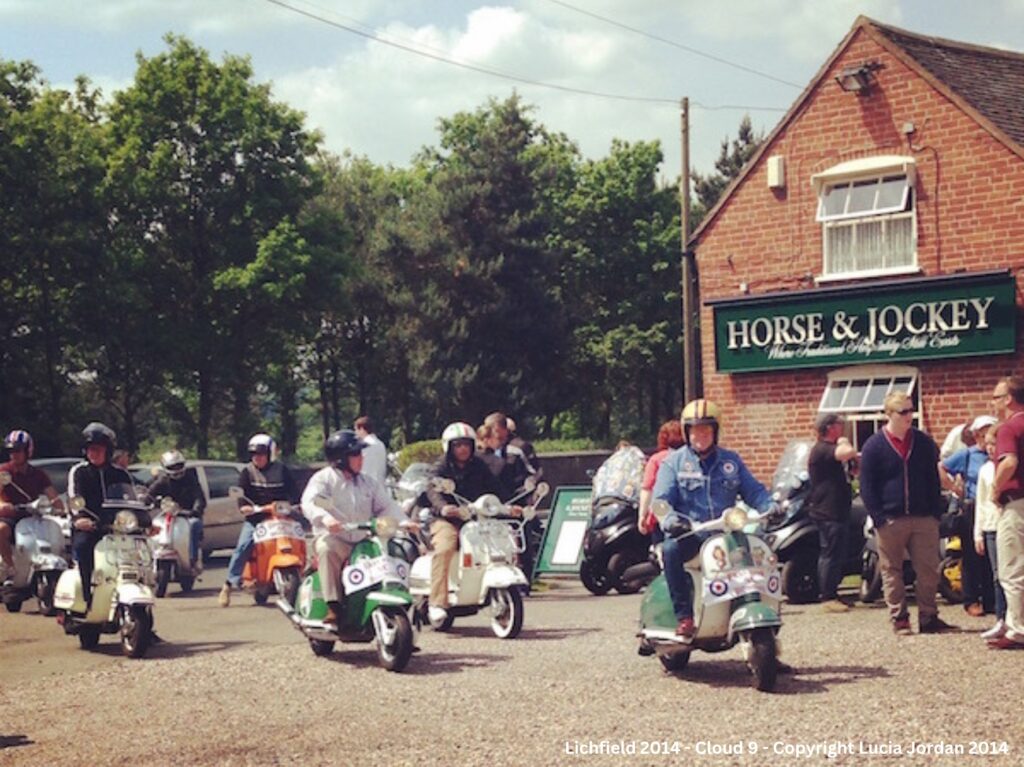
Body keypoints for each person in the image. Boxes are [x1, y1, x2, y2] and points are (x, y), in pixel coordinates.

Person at [652, 399, 775, 640]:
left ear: (715, 431)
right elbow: (660, 502)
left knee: (760, 555)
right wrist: (671, 521)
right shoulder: (673, 463)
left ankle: (766, 629)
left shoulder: (731, 462)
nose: (701, 434)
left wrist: (771, 506)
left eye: (706, 429)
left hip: (727, 534)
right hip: (691, 535)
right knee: (670, 550)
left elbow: (754, 491)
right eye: (695, 429)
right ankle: (684, 617)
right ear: (687, 432)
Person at [859, 392, 951, 635]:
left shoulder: (923, 442)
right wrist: (879, 517)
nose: (910, 416)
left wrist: (934, 512)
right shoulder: (873, 446)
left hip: (923, 517)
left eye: (911, 410)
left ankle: (929, 616)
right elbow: (867, 485)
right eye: (903, 412)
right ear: (889, 414)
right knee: (891, 570)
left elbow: (933, 478)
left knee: (929, 569)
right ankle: (899, 618)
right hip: (890, 518)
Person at [301, 430, 406, 626]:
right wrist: (325, 519)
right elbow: (310, 502)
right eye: (356, 454)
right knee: (326, 549)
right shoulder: (323, 479)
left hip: (363, 539)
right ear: (341, 459)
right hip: (336, 538)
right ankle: (333, 605)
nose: (361, 458)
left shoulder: (368, 482)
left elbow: (386, 505)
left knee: (393, 551)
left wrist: (405, 522)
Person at [423, 422, 505, 623]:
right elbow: (432, 490)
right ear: (449, 447)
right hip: (446, 519)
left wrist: (506, 505)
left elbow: (494, 488)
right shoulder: (441, 467)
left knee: (500, 540)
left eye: (466, 444)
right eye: (458, 445)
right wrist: (444, 507)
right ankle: (437, 602)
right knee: (445, 547)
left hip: (476, 517)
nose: (463, 449)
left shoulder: (479, 466)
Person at [219, 433, 298, 607]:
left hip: (280, 517)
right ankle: (229, 584)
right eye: (254, 455)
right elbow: (241, 493)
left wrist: (295, 504)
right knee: (243, 546)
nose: (258, 458)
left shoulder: (282, 470)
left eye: (261, 454)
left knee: (299, 539)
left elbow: (294, 491)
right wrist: (244, 507)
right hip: (257, 518)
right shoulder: (247, 471)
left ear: (270, 454)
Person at [67, 422, 134, 609]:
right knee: (82, 545)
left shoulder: (120, 474)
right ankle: (87, 595)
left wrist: (145, 520)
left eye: (98, 449)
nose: (93, 453)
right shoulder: (79, 472)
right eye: (90, 449)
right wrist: (80, 518)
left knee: (140, 551)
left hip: (117, 527)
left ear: (108, 450)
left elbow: (131, 499)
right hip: (90, 526)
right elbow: (75, 497)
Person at [939, 414, 997, 617]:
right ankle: (971, 599)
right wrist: (954, 488)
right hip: (972, 507)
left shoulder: (997, 455)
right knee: (972, 556)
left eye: (988, 434)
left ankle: (991, 600)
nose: (984, 439)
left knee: (992, 556)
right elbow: (942, 467)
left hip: (993, 507)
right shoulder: (967, 454)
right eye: (981, 434)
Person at [806, 413, 858, 612]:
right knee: (830, 553)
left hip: (839, 509)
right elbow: (846, 451)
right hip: (827, 511)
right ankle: (827, 596)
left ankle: (833, 593)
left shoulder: (830, 451)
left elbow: (852, 468)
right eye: (839, 425)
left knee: (837, 552)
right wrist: (845, 442)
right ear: (829, 428)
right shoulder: (822, 449)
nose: (842, 429)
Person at [0, 430, 65, 585]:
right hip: (10, 516)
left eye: (18, 450)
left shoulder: (38, 474)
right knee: (0, 529)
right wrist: (3, 506)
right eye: (11, 451)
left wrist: (60, 507)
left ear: (28, 451)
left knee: (59, 532)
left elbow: (52, 495)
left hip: (32, 516)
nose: (14, 454)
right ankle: (10, 568)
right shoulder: (4, 472)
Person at [990, 375, 1024, 649]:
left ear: (1009, 399)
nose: (994, 402)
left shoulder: (1008, 428)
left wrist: (994, 488)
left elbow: (1009, 462)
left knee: (1012, 569)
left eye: (997, 397)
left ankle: (1017, 629)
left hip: (1017, 502)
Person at [145, 450, 206, 571]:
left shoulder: (190, 478)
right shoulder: (162, 480)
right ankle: (147, 560)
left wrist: (196, 510)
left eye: (179, 465)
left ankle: (192, 559)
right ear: (165, 468)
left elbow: (199, 497)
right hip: (165, 514)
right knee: (149, 525)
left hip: (187, 514)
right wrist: (146, 503)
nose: (176, 469)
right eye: (172, 467)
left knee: (195, 524)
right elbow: (149, 494)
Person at [974, 424, 1007, 640]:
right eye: (987, 444)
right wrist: (978, 532)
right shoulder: (985, 469)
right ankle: (1001, 618)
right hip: (991, 527)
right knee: (998, 575)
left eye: (994, 444)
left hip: (1010, 523)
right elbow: (981, 502)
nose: (990, 448)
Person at [638, 420, 686, 537]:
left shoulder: (656, 459)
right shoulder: (690, 458)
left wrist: (642, 516)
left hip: (661, 516)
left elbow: (647, 489)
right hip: (687, 515)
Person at [354, 416, 388, 484]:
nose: (356, 433)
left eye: (356, 430)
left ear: (362, 429)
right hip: (380, 485)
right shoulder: (380, 444)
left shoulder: (363, 445)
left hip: (366, 485)